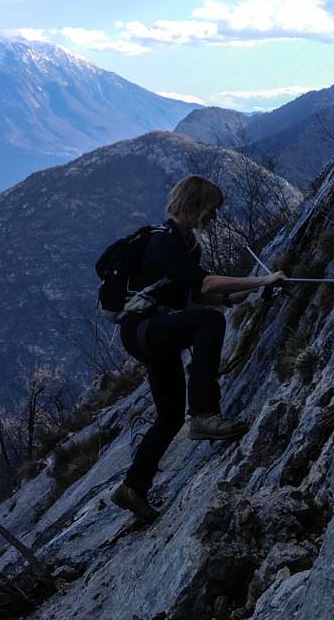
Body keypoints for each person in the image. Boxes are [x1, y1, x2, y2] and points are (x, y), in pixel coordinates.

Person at [110, 175, 285, 522]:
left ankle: (132, 488)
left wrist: (249, 293)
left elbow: (198, 293)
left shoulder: (185, 244)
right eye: (213, 209)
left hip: (148, 333)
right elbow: (205, 284)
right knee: (208, 322)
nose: (215, 217)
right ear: (197, 204)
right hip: (144, 330)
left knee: (171, 416)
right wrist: (261, 279)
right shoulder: (164, 241)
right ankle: (205, 413)